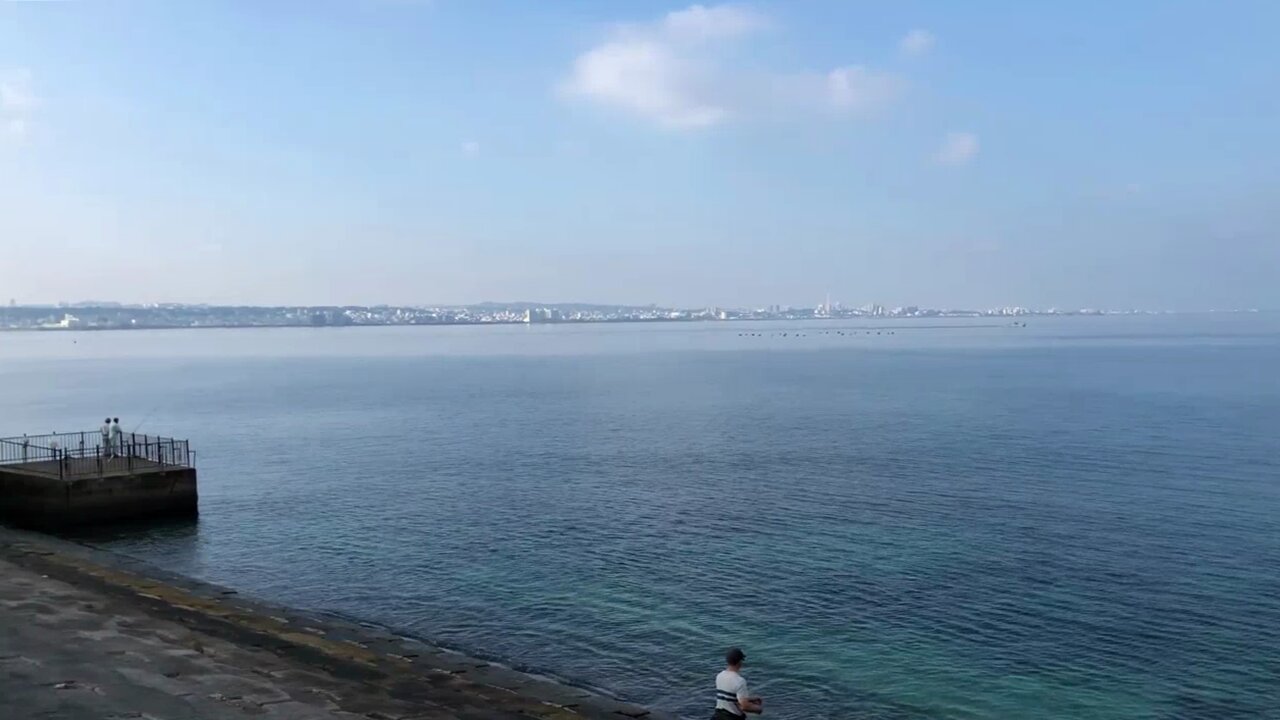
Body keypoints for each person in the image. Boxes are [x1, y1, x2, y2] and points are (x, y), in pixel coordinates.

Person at [714, 647, 763, 718]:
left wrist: (751, 699)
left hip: (718, 716)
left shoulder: (719, 676)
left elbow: (729, 697)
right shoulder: (739, 681)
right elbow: (744, 706)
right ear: (740, 662)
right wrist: (758, 709)